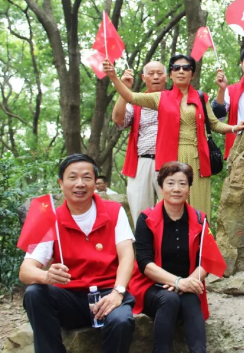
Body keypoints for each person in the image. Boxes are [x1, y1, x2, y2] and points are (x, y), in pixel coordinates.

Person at [104, 56, 244, 218]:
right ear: (171, 75)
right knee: (165, 212)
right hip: (168, 158)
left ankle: (200, 242)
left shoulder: (201, 97)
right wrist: (114, 77)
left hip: (196, 158)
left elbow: (215, 123)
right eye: (176, 68)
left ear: (192, 74)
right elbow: (130, 98)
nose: (181, 71)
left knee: (197, 209)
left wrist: (235, 127)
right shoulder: (160, 98)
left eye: (186, 68)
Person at [20, 154, 136, 353]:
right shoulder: (51, 219)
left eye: (87, 177)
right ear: (61, 183)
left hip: (108, 294)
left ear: (95, 182)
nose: (80, 184)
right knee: (34, 293)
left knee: (121, 321)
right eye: (72, 177)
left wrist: (118, 292)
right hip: (69, 297)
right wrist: (46, 275)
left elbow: (127, 256)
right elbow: (25, 271)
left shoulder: (114, 211)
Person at [128, 161, 214, 353]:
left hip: (187, 284)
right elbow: (144, 263)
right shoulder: (146, 219)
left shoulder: (200, 219)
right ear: (161, 187)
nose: (177, 189)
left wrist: (187, 283)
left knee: (191, 298)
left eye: (183, 184)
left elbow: (206, 260)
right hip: (151, 286)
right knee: (170, 299)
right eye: (171, 183)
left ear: (189, 190)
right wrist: (176, 282)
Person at [112, 61, 167, 226]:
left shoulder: (176, 101)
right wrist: (124, 89)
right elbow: (118, 119)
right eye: (151, 73)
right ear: (143, 78)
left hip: (169, 162)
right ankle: (143, 251)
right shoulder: (135, 102)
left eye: (159, 73)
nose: (156, 77)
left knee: (171, 212)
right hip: (141, 162)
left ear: (166, 77)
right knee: (141, 214)